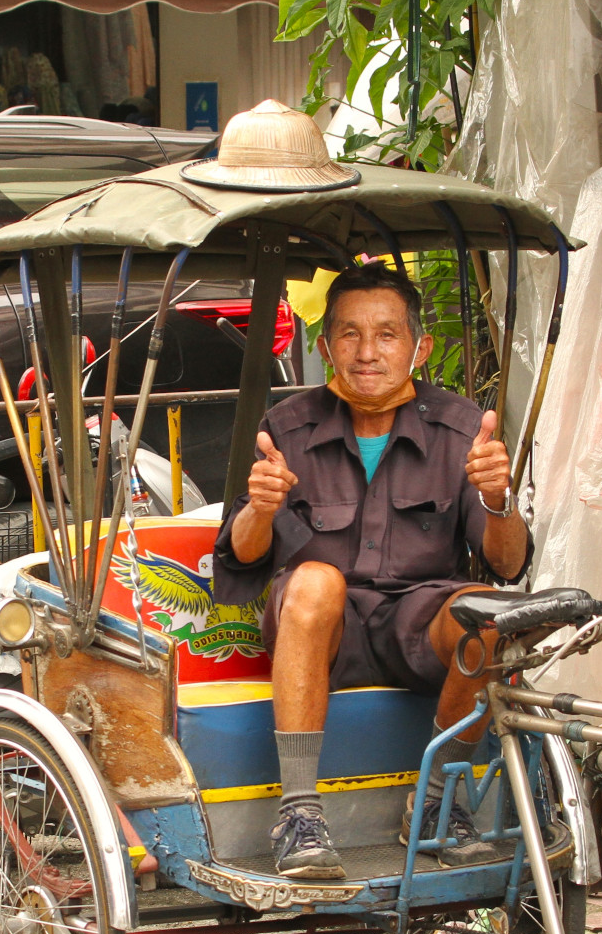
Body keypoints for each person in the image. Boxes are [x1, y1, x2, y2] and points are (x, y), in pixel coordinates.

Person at [211, 263, 532, 879]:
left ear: (419, 346)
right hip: (320, 630)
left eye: (387, 335)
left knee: (492, 616)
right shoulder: (287, 427)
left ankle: (435, 801)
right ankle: (299, 814)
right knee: (315, 579)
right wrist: (260, 507)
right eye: (349, 335)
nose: (366, 353)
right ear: (326, 345)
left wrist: (498, 499)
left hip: (420, 623)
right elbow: (243, 557)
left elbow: (507, 565)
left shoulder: (463, 428)